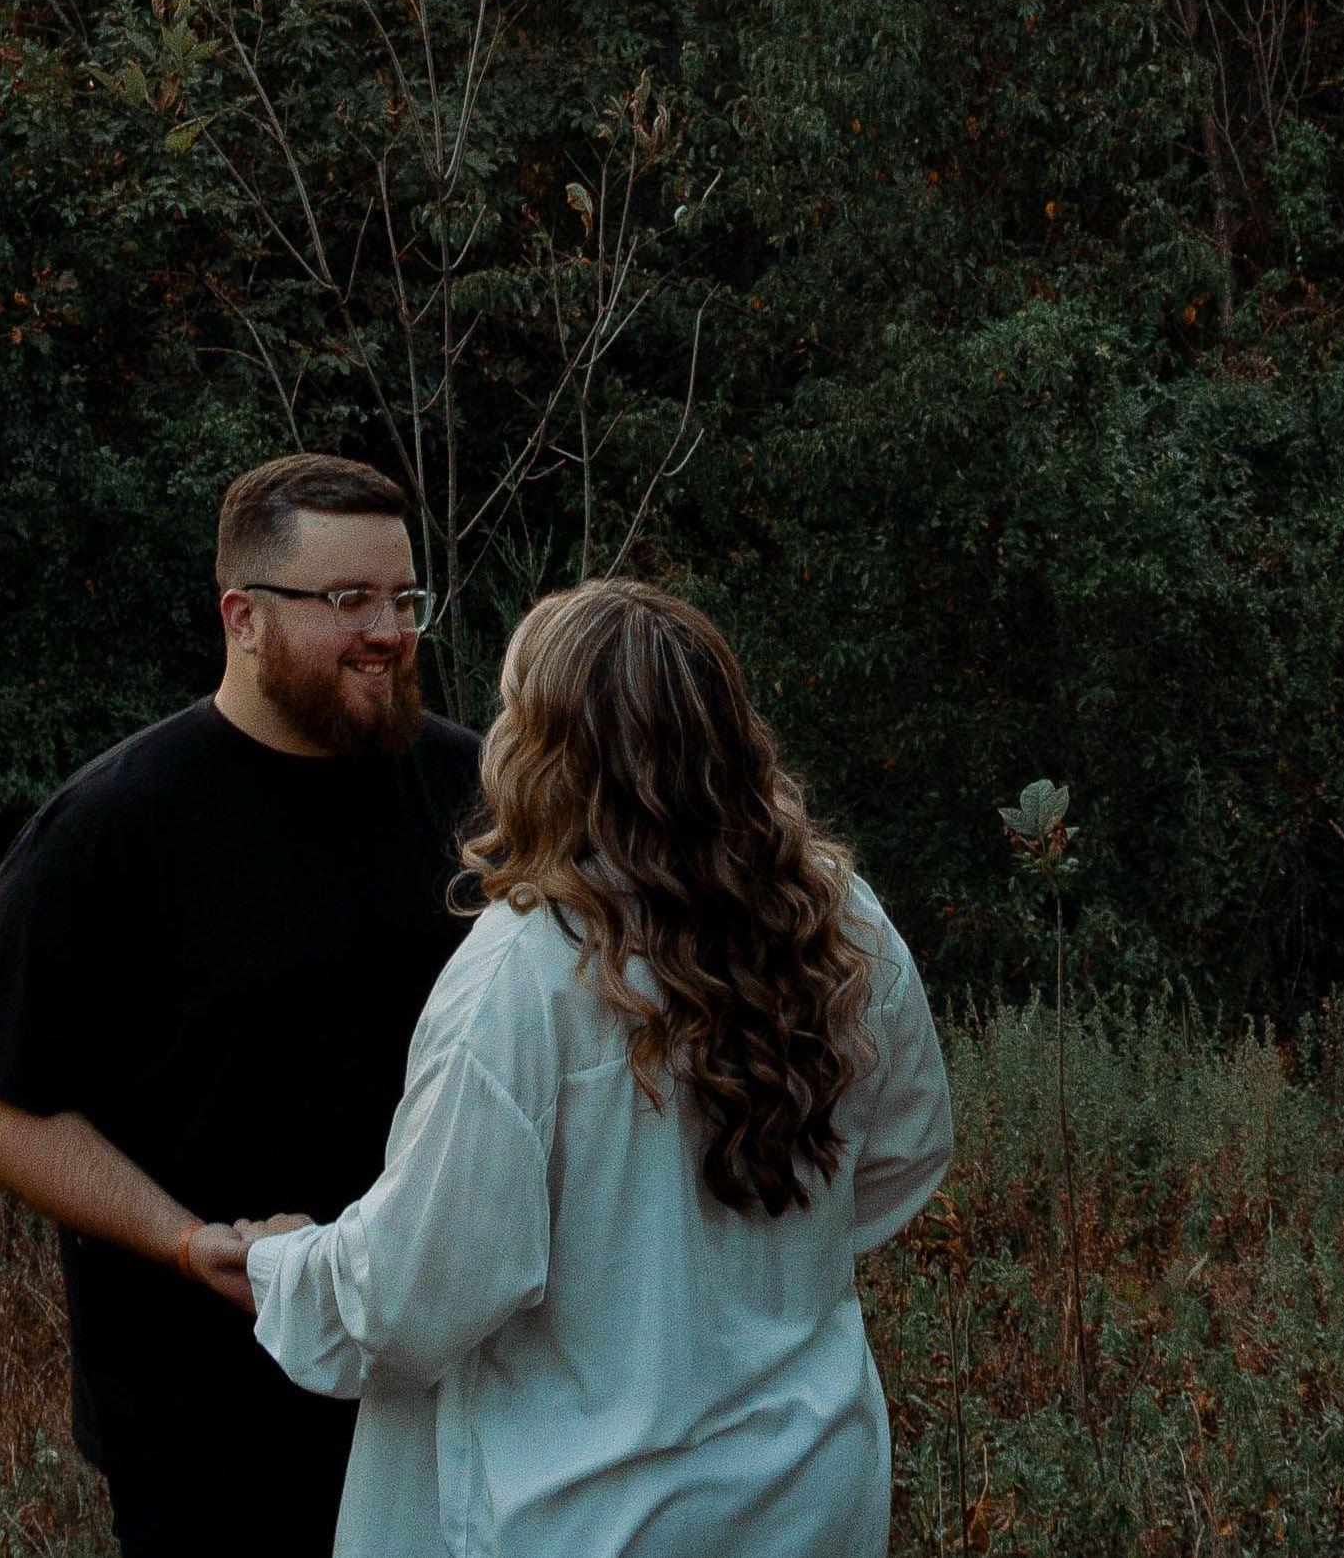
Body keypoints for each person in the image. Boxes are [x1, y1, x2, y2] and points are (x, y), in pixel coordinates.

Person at [238, 578, 955, 1558]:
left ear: (542, 750)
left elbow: (411, 1300)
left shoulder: (520, 975)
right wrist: (742, 1277)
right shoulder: (836, 916)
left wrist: (277, 1264)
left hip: (600, 1512)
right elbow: (905, 1154)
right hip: (809, 1490)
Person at [0, 454, 484, 1557]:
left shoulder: (480, 795)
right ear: (244, 616)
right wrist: (189, 1244)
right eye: (350, 599)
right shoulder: (110, 831)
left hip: (447, 1396)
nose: (389, 631)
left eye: (405, 599)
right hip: (208, 1422)